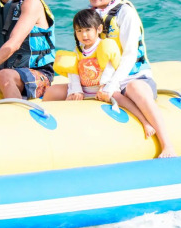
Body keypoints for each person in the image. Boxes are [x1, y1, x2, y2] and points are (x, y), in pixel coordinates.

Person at [83, 0, 176, 158]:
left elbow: (130, 54)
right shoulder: (90, 15)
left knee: (134, 88)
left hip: (133, 78)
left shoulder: (125, 13)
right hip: (104, 80)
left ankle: (167, 145)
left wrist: (112, 85)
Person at [42, 9, 158, 140]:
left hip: (103, 90)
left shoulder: (104, 46)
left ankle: (145, 122)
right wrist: (76, 91)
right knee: (53, 91)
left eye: (88, 30)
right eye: (79, 31)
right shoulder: (77, 51)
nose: (84, 35)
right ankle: (44, 119)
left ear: (99, 29)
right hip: (85, 90)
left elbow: (109, 70)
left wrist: (105, 87)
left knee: (121, 99)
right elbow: (73, 73)